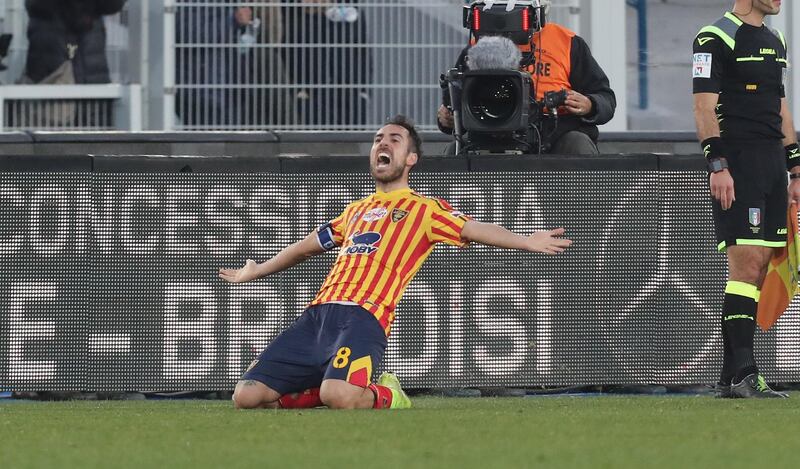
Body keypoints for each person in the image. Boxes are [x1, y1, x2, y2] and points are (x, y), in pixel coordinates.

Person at [219, 115, 572, 410]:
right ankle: (324, 382)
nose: (383, 144)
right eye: (377, 139)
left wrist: (525, 241)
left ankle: (388, 393)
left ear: (411, 159)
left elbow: (475, 228)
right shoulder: (353, 212)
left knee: (338, 397)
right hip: (318, 315)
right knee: (246, 397)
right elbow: (305, 247)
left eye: (394, 139)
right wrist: (258, 269)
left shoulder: (425, 209)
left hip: (364, 316)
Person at [693, 0, 797, 398]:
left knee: (761, 264)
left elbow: (780, 106)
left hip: (772, 163)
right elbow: (703, 106)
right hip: (738, 160)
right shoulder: (714, 36)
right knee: (747, 262)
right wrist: (718, 164)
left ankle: (732, 376)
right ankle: (742, 373)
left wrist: (796, 167)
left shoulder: (777, 39)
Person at [437, 0, 616, 155]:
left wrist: (590, 105)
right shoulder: (478, 47)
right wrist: (448, 118)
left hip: (552, 134)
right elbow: (455, 96)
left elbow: (605, 97)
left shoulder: (567, 42)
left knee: (577, 144)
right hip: (488, 132)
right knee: (454, 150)